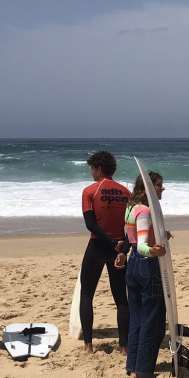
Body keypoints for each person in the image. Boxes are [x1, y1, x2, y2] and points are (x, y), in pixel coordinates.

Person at [79, 151, 130, 354]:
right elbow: (131, 229)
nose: (91, 173)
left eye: (92, 169)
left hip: (97, 247)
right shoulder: (126, 193)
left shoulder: (90, 191)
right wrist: (121, 248)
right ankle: (124, 346)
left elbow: (90, 224)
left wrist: (109, 242)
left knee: (86, 294)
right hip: (119, 249)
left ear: (99, 168)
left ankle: (89, 345)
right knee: (121, 299)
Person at [121, 171, 169, 378]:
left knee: (137, 319)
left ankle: (132, 365)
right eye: (159, 185)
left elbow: (133, 238)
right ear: (149, 188)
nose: (162, 188)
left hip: (132, 264)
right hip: (146, 266)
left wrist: (160, 237)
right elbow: (142, 246)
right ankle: (143, 372)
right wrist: (154, 251)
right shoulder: (145, 210)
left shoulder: (130, 208)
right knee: (152, 320)